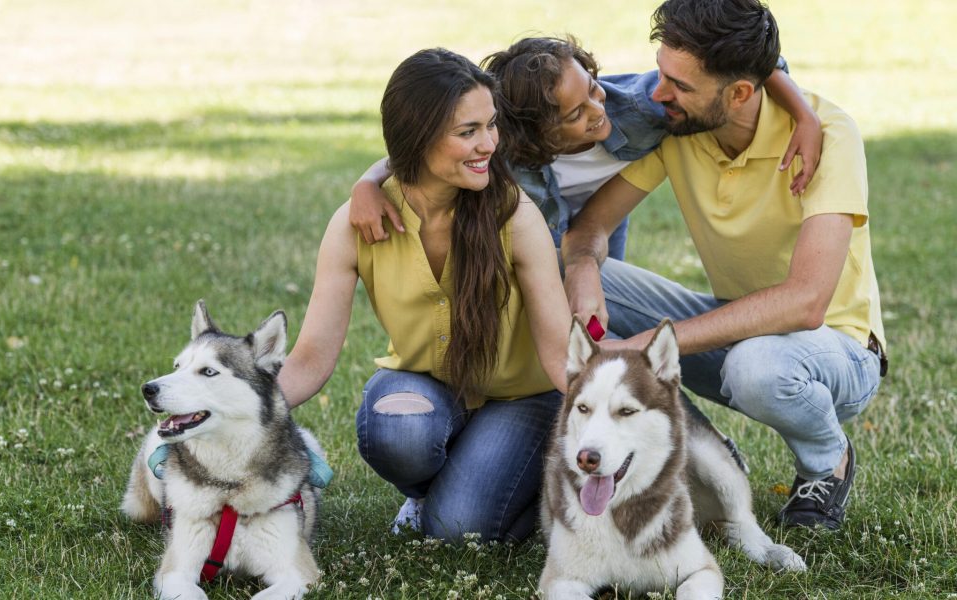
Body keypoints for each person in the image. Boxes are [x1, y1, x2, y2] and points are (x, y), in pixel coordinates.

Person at [562, 0, 885, 530]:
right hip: (734, 324)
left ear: (739, 93)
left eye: (679, 86)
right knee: (564, 276)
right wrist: (580, 269)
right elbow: (590, 231)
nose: (659, 94)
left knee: (756, 367)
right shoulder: (677, 125)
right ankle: (711, 459)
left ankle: (828, 460)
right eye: (661, 73)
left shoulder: (828, 133)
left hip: (838, 350)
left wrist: (649, 343)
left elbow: (806, 303)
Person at [276, 48, 573, 543]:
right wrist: (231, 410)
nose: (489, 145)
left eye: (491, 125)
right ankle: (442, 487)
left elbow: (562, 356)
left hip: (522, 398)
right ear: (419, 139)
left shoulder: (515, 217)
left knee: (459, 530)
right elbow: (309, 359)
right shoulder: (358, 222)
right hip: (427, 386)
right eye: (468, 132)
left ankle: (533, 487)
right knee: (399, 434)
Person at [349, 36, 822, 261]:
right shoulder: (502, 152)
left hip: (604, 217)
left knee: (602, 298)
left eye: (593, 88)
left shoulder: (639, 107)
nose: (597, 112)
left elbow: (749, 57)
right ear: (535, 133)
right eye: (574, 115)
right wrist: (368, 183)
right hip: (545, 227)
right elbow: (424, 148)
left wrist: (803, 115)